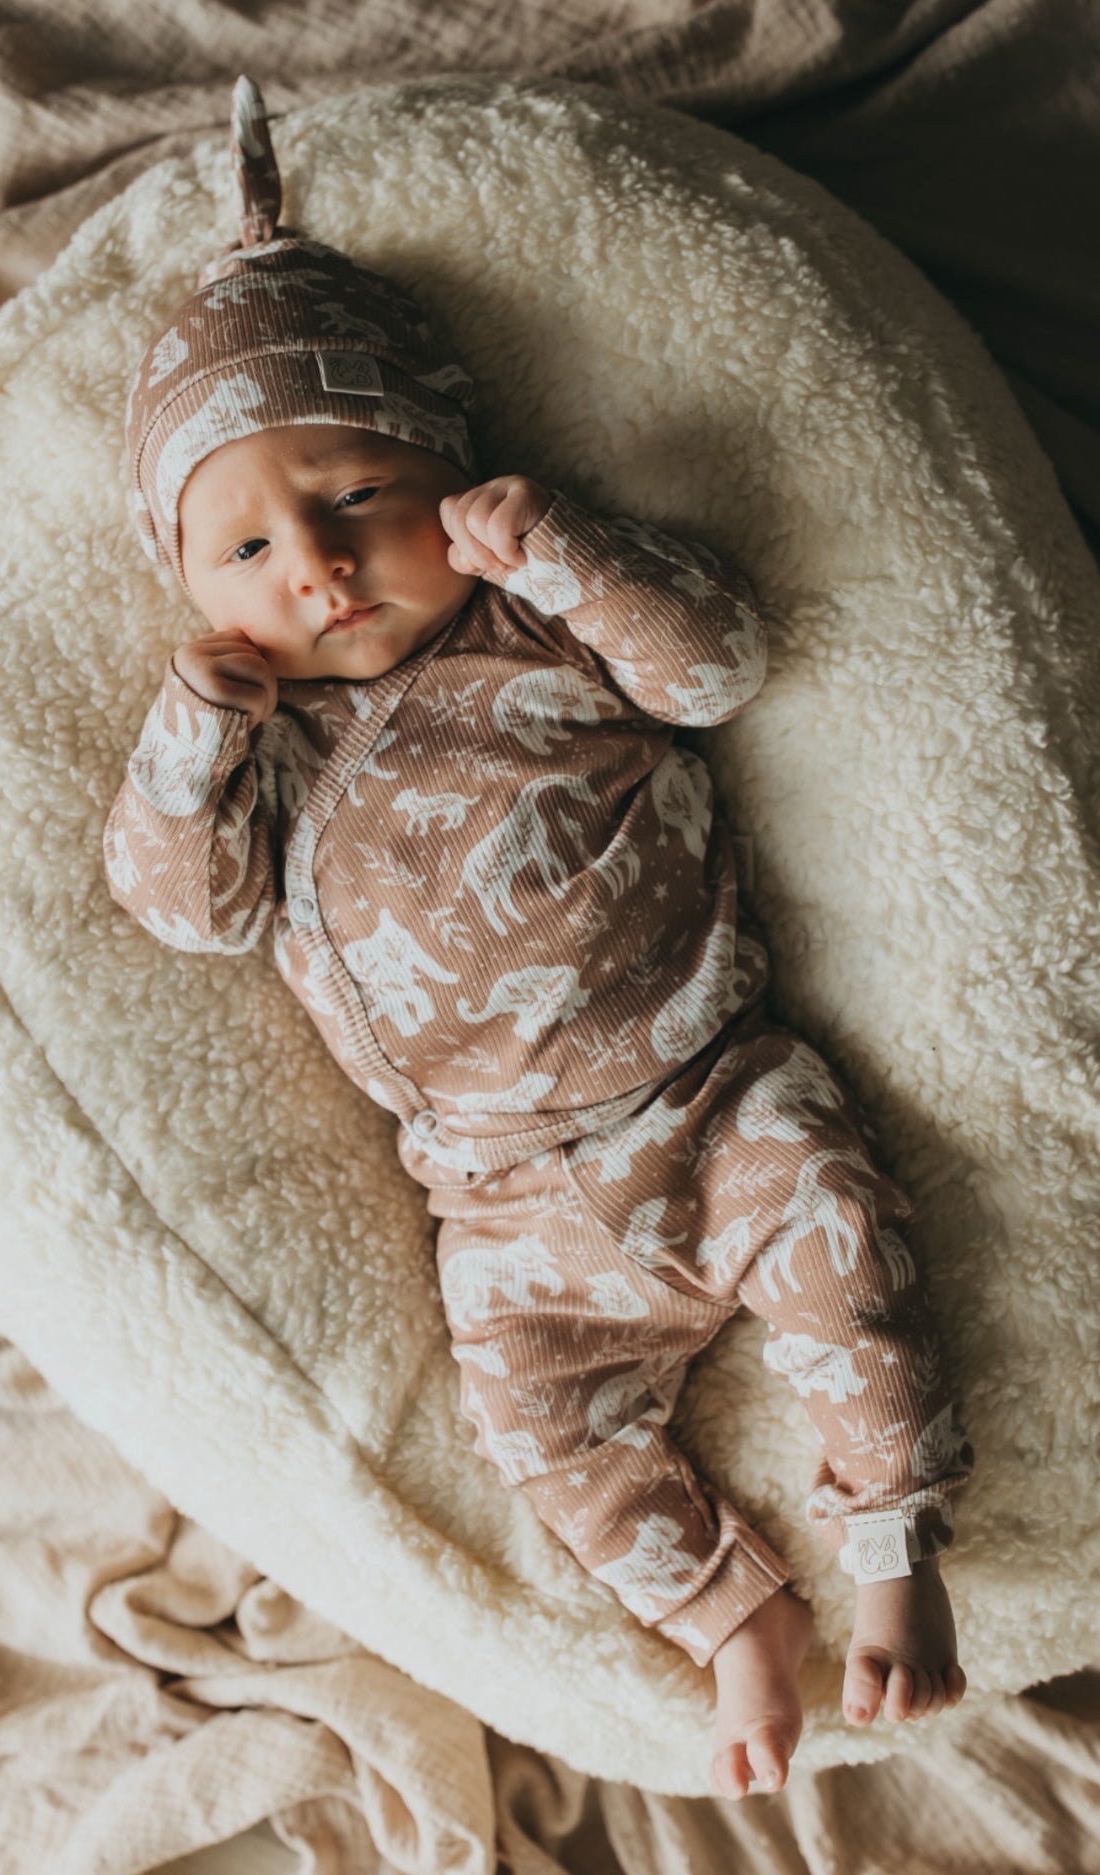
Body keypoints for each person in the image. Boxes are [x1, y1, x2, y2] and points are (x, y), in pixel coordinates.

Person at [106, 75, 973, 1799]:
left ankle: (894, 1548)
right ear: (191, 586)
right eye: (249, 546)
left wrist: (572, 555)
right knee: (543, 1429)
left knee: (844, 1261)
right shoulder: (256, 746)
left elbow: (716, 665)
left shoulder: (535, 628)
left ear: (451, 466)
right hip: (499, 1195)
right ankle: (732, 1616)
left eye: (358, 495)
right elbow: (183, 915)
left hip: (709, 1090)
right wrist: (186, 744)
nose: (321, 568)